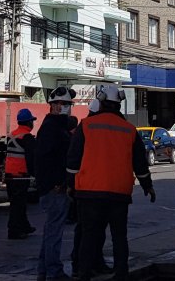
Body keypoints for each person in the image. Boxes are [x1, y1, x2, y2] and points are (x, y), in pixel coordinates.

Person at [67, 85, 156, 281]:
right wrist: (147, 186)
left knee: (89, 236)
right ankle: (121, 273)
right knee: (119, 237)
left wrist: (70, 185)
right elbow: (140, 164)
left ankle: (83, 274)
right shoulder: (129, 130)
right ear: (119, 104)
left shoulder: (87, 125)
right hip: (118, 194)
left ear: (101, 101)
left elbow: (73, 161)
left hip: (89, 192)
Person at [35, 87, 77, 281]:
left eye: (67, 104)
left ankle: (44, 270)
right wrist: (56, 183)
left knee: (51, 231)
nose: (63, 107)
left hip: (54, 186)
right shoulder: (52, 128)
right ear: (52, 105)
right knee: (54, 232)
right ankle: (54, 271)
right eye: (60, 104)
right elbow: (46, 160)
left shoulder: (57, 126)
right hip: (54, 188)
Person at [70, 99, 111, 276]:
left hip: (85, 188)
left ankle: (84, 265)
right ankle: (88, 265)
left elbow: (73, 160)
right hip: (95, 188)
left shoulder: (85, 127)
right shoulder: (93, 128)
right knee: (93, 231)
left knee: (86, 230)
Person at [5, 108, 38, 239]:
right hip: (20, 175)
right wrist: (34, 174)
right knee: (18, 205)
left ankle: (25, 226)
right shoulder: (27, 137)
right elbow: (31, 158)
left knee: (18, 203)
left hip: (10, 174)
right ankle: (14, 231)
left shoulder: (11, 135)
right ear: (29, 122)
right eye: (32, 121)